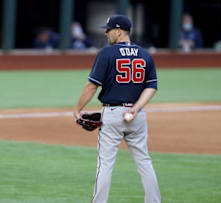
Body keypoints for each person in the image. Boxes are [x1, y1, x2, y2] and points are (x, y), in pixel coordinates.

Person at [73, 15, 161, 203]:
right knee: (145, 162)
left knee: (105, 164)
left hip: (112, 116)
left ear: (119, 31)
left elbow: (91, 86)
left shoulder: (107, 53)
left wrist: (78, 109)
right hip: (136, 117)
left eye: (109, 29)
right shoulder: (145, 55)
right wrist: (136, 109)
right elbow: (151, 87)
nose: (105, 33)